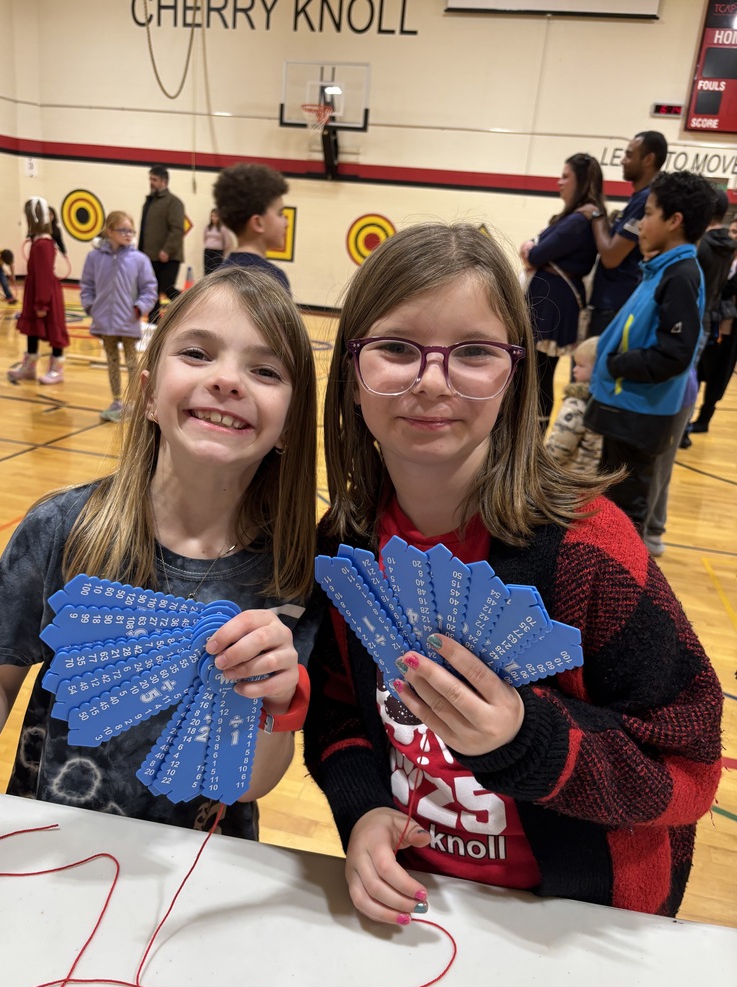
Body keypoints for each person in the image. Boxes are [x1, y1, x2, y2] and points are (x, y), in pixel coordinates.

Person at [304, 222, 722, 927]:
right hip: (421, 902)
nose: (430, 381)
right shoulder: (346, 545)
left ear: (515, 376)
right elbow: (337, 708)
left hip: (578, 924)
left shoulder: (589, 551)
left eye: (473, 352)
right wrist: (364, 808)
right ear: (351, 375)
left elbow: (688, 767)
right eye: (396, 348)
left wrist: (530, 739)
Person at [0, 267, 319, 839]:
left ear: (289, 423)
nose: (227, 380)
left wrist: (278, 699)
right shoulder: (62, 528)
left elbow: (250, 785)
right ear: (149, 393)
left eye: (265, 370)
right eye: (197, 354)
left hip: (200, 863)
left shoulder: (294, 574)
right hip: (52, 842)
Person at [587, 172, 714, 529]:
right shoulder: (662, 268)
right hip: (627, 408)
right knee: (611, 508)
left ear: (675, 221)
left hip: (638, 413)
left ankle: (626, 568)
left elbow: (675, 354)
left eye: (649, 213)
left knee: (625, 517)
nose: (641, 223)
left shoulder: (681, 275)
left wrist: (616, 364)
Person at [520, 153, 605, 429]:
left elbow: (537, 254)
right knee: (538, 374)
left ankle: (534, 435)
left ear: (581, 181)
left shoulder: (579, 220)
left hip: (552, 303)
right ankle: (532, 432)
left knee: (538, 374)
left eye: (566, 176)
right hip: (552, 300)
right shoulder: (579, 217)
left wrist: (530, 248)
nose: (559, 182)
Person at [579, 131, 668, 336]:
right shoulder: (640, 198)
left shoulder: (645, 200)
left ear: (648, 159)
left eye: (629, 155)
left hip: (614, 304)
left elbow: (611, 257)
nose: (622, 160)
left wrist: (596, 216)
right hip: (612, 302)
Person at [80, 210, 158, 422]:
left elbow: (149, 288)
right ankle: (116, 402)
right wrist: (90, 307)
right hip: (104, 322)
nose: (128, 234)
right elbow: (87, 286)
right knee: (112, 361)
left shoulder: (139, 259)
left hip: (128, 321)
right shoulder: (94, 258)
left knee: (132, 362)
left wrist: (139, 308)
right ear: (109, 231)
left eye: (131, 231)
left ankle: (135, 401)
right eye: (123, 230)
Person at [686, 193, 737, 438]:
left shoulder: (704, 245)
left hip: (721, 323)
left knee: (710, 375)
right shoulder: (725, 250)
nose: (735, 236)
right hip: (711, 317)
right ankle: (689, 424)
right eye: (734, 230)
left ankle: (698, 421)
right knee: (697, 373)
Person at [8, 197, 69, 385]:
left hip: (45, 293)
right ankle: (30, 367)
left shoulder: (43, 244)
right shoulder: (38, 241)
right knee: (32, 328)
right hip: (36, 290)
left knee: (54, 329)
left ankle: (57, 370)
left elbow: (44, 276)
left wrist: (42, 303)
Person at [212, 163, 290, 293]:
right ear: (258, 223)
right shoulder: (274, 278)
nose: (286, 223)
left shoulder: (216, 276)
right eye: (280, 214)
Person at [544, 336, 602, 474]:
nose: (574, 370)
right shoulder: (608, 401)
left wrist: (542, 464)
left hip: (569, 475)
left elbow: (560, 446)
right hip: (594, 475)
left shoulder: (576, 403)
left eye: (581, 366)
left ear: (598, 369)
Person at [138, 165, 186, 323]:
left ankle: (189, 307)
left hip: (168, 257)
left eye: (154, 179)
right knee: (152, 290)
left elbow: (177, 229)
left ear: (164, 181)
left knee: (167, 288)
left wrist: (167, 250)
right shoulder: (149, 202)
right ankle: (153, 321)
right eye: (150, 179)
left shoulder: (174, 202)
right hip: (150, 256)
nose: (151, 182)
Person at [203, 207, 236, 275]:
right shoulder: (208, 227)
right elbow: (205, 238)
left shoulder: (222, 228)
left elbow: (227, 242)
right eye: (212, 216)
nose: (213, 218)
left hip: (217, 252)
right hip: (208, 251)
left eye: (215, 216)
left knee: (215, 271)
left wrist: (222, 249)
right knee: (207, 271)